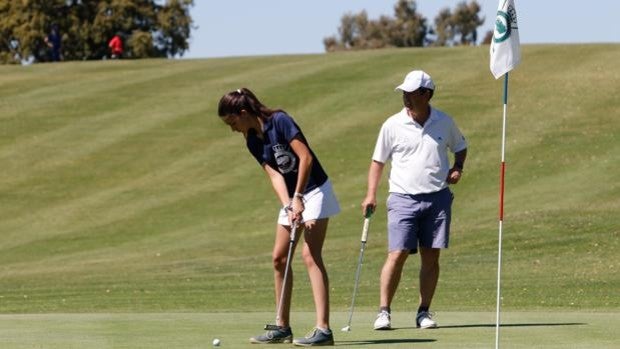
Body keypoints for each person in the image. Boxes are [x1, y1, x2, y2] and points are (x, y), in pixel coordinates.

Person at [218, 88, 340, 346]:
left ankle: (324, 330)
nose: (232, 128)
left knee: (310, 255)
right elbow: (274, 175)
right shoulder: (252, 140)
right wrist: (288, 205)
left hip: (315, 190)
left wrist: (298, 198)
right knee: (279, 258)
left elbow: (305, 157)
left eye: (232, 122)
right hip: (293, 197)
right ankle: (282, 327)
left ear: (243, 113)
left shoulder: (280, 121)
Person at [361, 70, 467, 330]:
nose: (406, 97)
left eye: (411, 93)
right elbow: (378, 162)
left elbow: (461, 146)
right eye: (404, 93)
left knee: (431, 257)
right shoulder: (392, 125)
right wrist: (371, 194)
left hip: (437, 199)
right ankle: (383, 311)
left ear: (426, 94)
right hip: (402, 198)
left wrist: (457, 168)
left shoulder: (444, 121)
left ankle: (424, 312)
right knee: (396, 254)